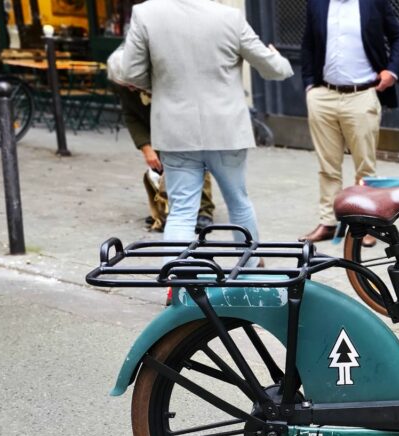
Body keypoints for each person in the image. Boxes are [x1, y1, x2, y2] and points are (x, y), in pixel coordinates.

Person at [120, 0, 292, 251]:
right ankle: (251, 271)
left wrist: (163, 85)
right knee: (239, 203)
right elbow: (274, 69)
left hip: (176, 129)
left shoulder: (145, 13)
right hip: (226, 129)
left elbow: (131, 73)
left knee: (181, 213)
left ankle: (179, 284)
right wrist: (280, 60)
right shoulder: (230, 17)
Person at [297, 0, 399, 244]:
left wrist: (393, 71)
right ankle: (328, 222)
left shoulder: (373, 3)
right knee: (327, 165)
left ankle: (366, 224)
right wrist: (309, 86)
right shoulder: (317, 3)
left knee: (365, 167)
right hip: (324, 95)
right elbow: (308, 44)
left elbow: (398, 36)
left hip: (362, 94)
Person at [109, 67, 216, 232]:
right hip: (154, 128)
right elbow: (131, 116)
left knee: (195, 162)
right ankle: (165, 208)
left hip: (185, 121)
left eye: (132, 84)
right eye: (125, 86)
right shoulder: (124, 86)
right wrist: (146, 148)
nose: (130, 89)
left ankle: (204, 210)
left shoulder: (164, 79)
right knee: (159, 169)